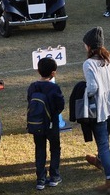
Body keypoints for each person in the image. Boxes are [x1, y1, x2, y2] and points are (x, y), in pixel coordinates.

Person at [82, 26, 110, 194]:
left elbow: (92, 88)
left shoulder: (88, 64)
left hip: (99, 109)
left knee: (103, 143)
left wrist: (82, 92)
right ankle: (101, 160)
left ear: (90, 46)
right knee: (105, 138)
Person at [28, 57, 65, 190]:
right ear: (53, 73)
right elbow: (60, 105)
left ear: (38, 70)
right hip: (51, 123)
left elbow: (29, 102)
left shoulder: (33, 87)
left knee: (40, 149)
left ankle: (40, 179)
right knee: (55, 148)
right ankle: (54, 176)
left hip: (37, 123)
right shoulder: (54, 88)